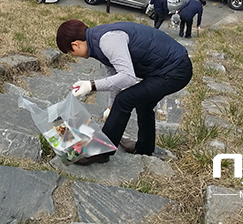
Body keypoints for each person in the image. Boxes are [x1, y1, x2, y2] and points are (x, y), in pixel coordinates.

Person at [56, 20, 193, 166]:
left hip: (175, 70)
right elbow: (114, 77)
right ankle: (144, 148)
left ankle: (101, 152)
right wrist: (110, 107)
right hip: (165, 67)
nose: (74, 55)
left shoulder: (108, 40)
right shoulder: (97, 40)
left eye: (71, 52)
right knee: (142, 103)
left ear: (75, 44)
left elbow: (128, 78)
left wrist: (91, 85)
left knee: (125, 99)